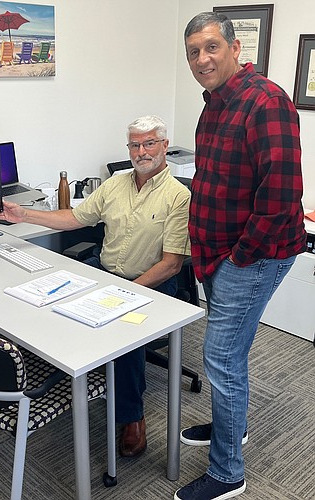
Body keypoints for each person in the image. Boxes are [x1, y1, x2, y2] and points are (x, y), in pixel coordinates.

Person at [0, 115, 191, 458]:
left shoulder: (178, 197)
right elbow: (74, 218)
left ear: (163, 145)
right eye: (135, 144)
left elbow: (171, 264)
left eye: (149, 143)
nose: (141, 151)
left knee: (124, 340)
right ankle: (69, 384)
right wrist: (24, 216)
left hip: (152, 285)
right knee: (52, 302)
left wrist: (124, 294)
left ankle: (132, 417)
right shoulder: (115, 184)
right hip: (105, 271)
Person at [174, 12, 307, 500]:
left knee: (221, 358)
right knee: (230, 355)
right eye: (193, 52)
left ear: (233, 47)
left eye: (211, 47)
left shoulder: (265, 101)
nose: (202, 59)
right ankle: (234, 428)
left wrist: (239, 257)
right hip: (217, 251)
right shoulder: (214, 104)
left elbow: (281, 195)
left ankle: (228, 473)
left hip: (250, 256)